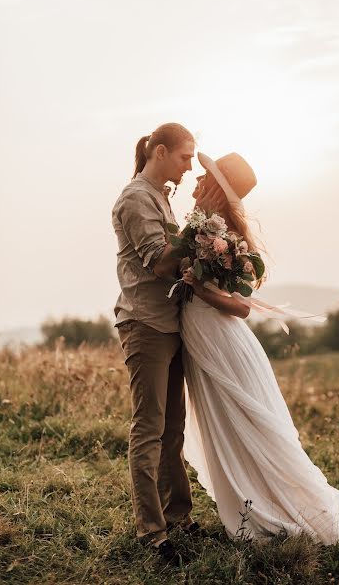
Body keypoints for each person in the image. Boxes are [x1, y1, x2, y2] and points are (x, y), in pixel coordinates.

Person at [181, 151, 339, 550]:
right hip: (200, 337)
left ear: (215, 189)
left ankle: (277, 509)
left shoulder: (223, 237)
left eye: (203, 178)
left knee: (248, 420)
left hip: (221, 340)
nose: (195, 183)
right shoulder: (198, 229)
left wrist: (198, 290)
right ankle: (248, 499)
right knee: (224, 424)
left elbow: (241, 306)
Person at [111, 124, 227, 565]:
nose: (190, 165)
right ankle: (152, 533)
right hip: (145, 324)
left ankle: (179, 516)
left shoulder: (159, 196)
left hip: (171, 324)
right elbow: (160, 264)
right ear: (159, 152)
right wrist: (198, 224)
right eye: (185, 157)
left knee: (173, 428)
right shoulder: (136, 197)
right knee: (150, 428)